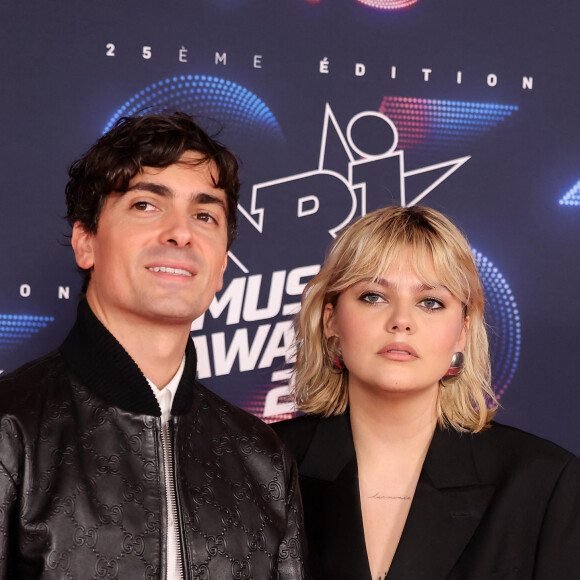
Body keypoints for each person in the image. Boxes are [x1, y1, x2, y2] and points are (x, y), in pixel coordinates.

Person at [0, 112, 307, 579]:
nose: (181, 233)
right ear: (86, 242)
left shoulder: (262, 456)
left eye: (204, 215)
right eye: (147, 205)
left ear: (222, 264)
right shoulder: (9, 428)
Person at [272, 205, 580, 580]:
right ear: (331, 319)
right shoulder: (261, 466)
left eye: (431, 302)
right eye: (373, 296)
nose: (401, 321)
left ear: (462, 331)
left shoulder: (544, 481)